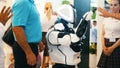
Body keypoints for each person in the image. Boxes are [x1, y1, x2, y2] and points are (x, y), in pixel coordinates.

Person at [11, 0, 42, 68]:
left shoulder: (30, 3)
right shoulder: (23, 3)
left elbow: (31, 25)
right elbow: (17, 28)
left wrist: (38, 41)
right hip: (25, 47)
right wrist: (28, 52)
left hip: (30, 46)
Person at [97, 0, 120, 68]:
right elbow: (103, 34)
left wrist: (112, 48)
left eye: (115, 5)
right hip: (106, 45)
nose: (112, 7)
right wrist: (103, 46)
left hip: (117, 46)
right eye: (111, 5)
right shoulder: (106, 18)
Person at [40, 2, 57, 68]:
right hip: (50, 37)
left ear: (44, 8)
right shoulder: (55, 18)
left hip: (42, 37)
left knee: (41, 57)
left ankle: (43, 66)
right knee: (49, 56)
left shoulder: (41, 17)